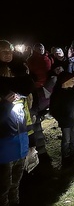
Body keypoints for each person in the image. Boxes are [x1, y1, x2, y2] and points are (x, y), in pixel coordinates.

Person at [0, 39, 36, 206]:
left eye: (10, 51)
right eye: (3, 51)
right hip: (4, 139)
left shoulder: (20, 71)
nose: (8, 54)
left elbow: (26, 110)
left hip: (19, 136)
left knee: (16, 184)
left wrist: (30, 134)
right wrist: (5, 105)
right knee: (3, 187)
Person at [49, 71, 74, 164]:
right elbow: (53, 109)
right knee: (66, 139)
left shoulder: (73, 92)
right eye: (72, 80)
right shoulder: (57, 94)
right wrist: (61, 118)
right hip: (65, 122)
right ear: (65, 81)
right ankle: (66, 156)